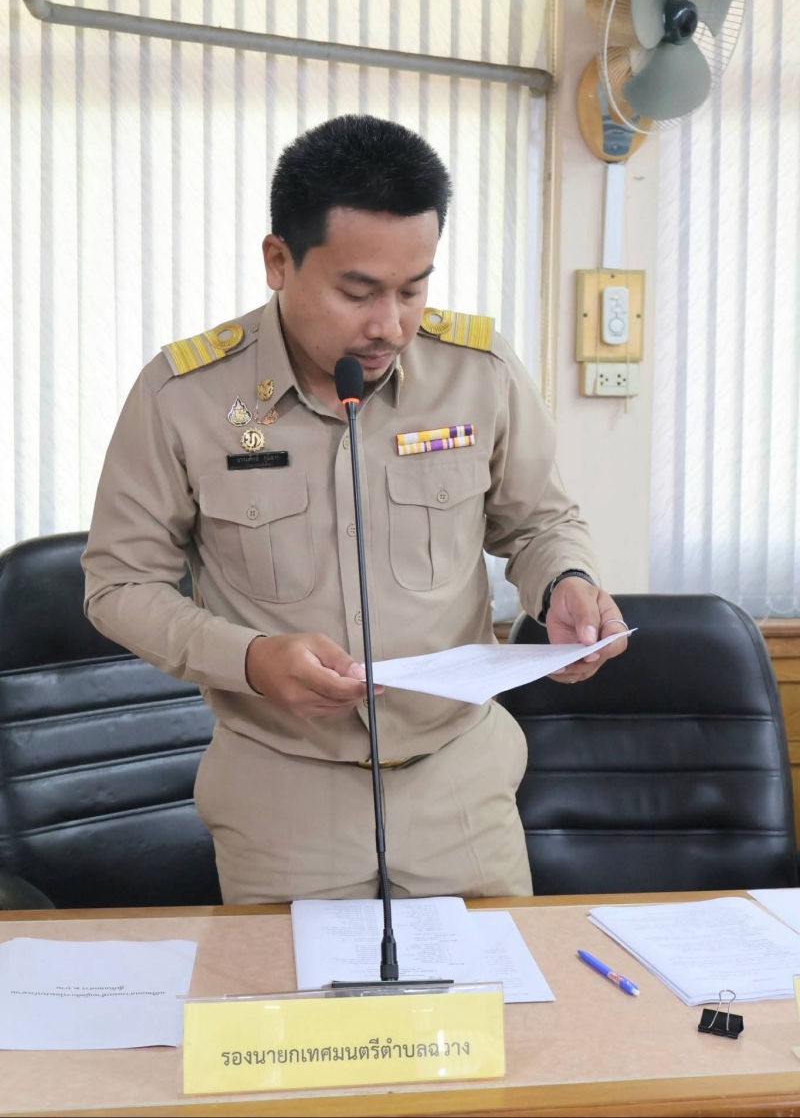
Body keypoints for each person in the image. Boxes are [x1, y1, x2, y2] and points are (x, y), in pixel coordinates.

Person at [83, 114, 628, 904]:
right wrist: (248, 658)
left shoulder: (477, 372)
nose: (389, 325)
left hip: (459, 783)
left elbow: (541, 521)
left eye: (413, 288)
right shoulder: (185, 396)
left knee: (492, 985)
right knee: (286, 993)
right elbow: (119, 585)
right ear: (279, 260)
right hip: (283, 794)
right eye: (358, 291)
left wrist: (566, 581)